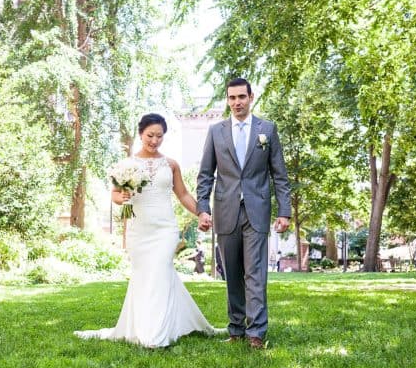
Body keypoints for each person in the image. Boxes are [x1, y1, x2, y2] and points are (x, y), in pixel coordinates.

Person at [75, 114, 216, 349]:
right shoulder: (127, 165)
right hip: (138, 230)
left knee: (160, 272)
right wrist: (122, 197)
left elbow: (182, 195)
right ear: (141, 134)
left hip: (165, 229)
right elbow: (117, 196)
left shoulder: (170, 165)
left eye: (159, 136)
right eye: (150, 135)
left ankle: (156, 335)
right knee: (145, 278)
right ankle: (155, 325)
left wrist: (201, 212)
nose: (154, 141)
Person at [196, 79, 291, 349]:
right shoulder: (216, 132)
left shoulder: (267, 130)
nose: (237, 102)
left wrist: (284, 212)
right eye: (231, 98)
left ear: (251, 97)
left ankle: (256, 333)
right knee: (232, 273)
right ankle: (236, 329)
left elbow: (280, 176)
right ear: (227, 100)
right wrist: (203, 208)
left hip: (257, 211)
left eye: (241, 97)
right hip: (225, 211)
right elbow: (205, 175)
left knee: (256, 273)